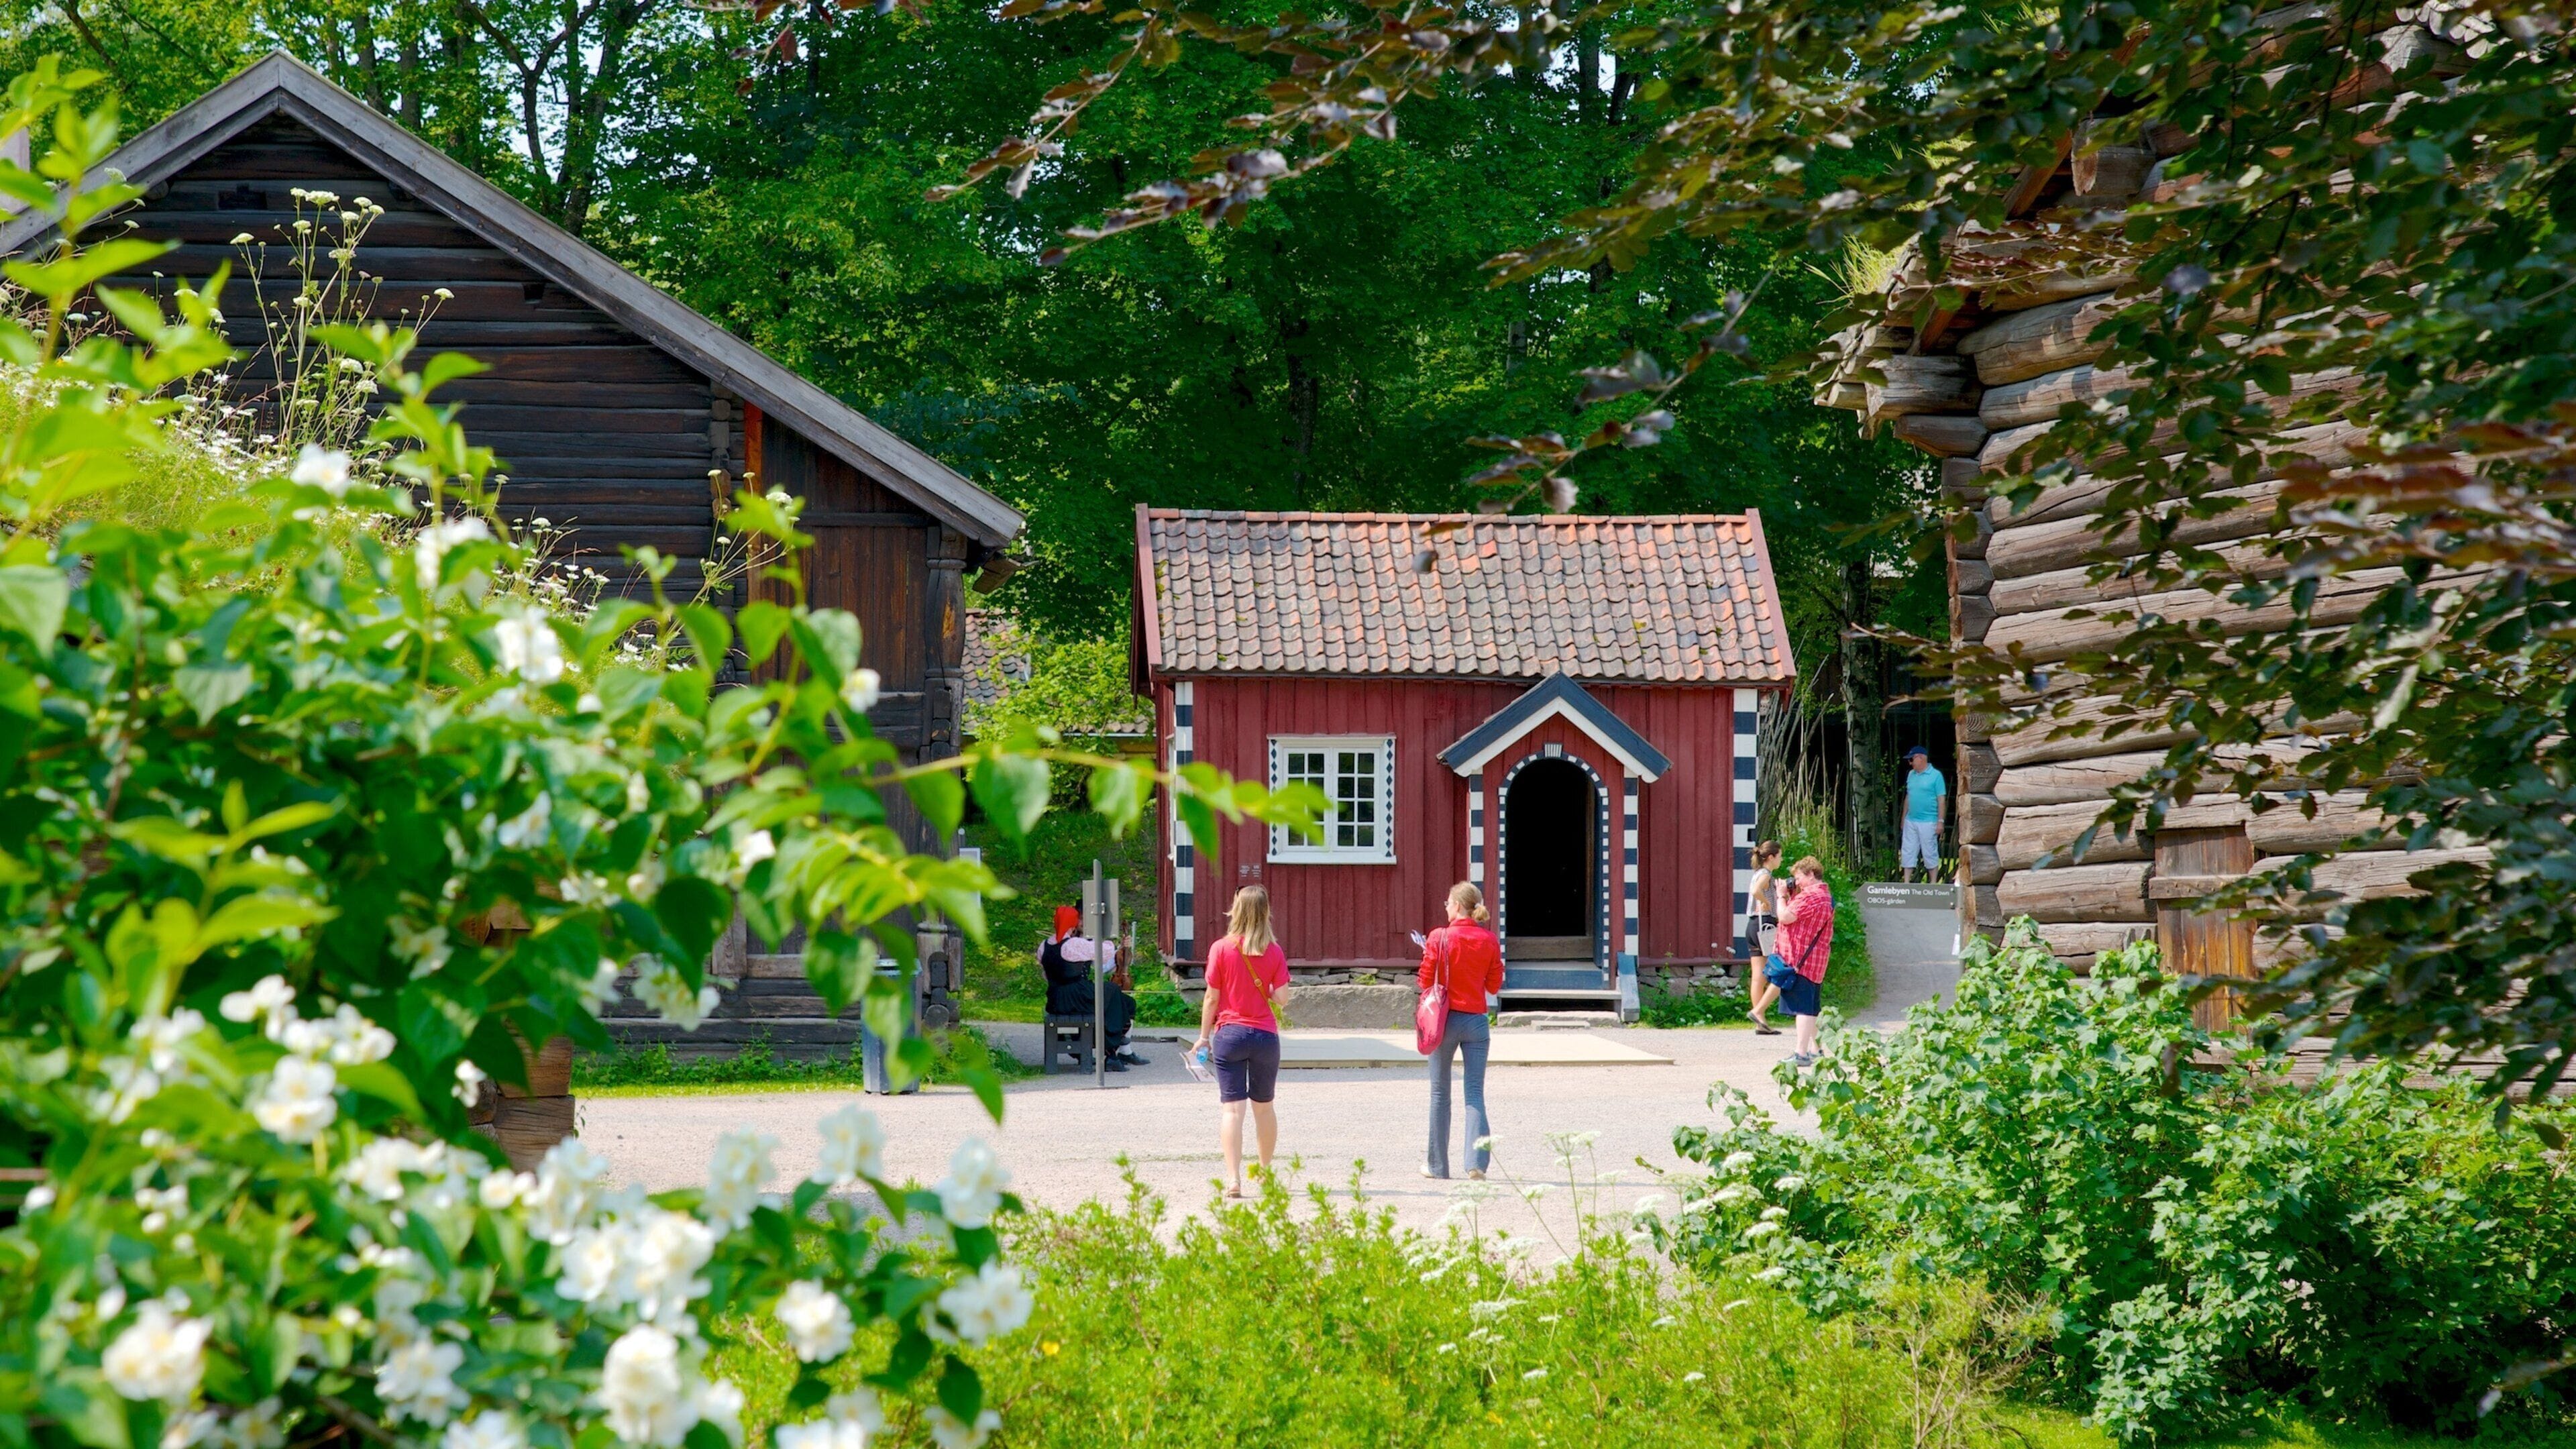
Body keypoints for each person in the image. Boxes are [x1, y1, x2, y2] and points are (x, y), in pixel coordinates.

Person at [1192, 885, 1291, 1198]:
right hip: (1264, 1036)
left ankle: (1234, 1180)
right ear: (1265, 913)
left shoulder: (1221, 948)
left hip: (1230, 1035)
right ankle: (1264, 1174)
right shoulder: (1274, 951)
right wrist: (1268, 991)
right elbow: (1283, 999)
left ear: (1237, 910)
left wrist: (1203, 1037)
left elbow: (1211, 998)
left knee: (1232, 1111)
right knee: (1265, 1109)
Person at [1419, 881, 1508, 1181]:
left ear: (1457, 906)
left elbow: (1424, 981)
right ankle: (1475, 1165)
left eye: (1447, 903)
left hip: (1443, 1022)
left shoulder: (1438, 937)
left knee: (1439, 1093)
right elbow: (1494, 986)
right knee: (1474, 1094)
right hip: (1476, 1022)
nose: (1445, 907)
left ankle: (1438, 1167)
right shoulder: (1489, 940)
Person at [1040, 906, 1142, 1069]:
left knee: (1121, 1000)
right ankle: (1110, 1052)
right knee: (1112, 991)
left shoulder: (1044, 945)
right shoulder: (1073, 944)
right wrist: (1103, 936)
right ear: (1072, 925)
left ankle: (1118, 1052)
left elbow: (1046, 974)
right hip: (1076, 996)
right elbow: (1105, 950)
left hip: (1055, 998)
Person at [1773, 856, 1835, 1065]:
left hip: (1802, 962)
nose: (1796, 882)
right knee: (1810, 1007)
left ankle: (1801, 1053)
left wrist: (1781, 897)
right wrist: (1792, 896)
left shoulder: (1812, 897)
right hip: (1812, 960)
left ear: (1810, 875)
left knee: (1803, 1009)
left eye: (1798, 877)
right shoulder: (1821, 896)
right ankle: (1817, 1051)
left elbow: (1785, 917)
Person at [1741, 841, 1785, 1035]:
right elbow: (1756, 891)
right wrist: (1767, 902)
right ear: (1771, 857)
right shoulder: (1766, 874)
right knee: (1775, 970)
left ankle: (1760, 1020)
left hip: (1752, 925)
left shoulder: (1757, 873)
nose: (1781, 860)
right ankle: (1759, 1012)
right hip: (1765, 925)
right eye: (1780, 856)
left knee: (1758, 976)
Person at [1900, 745, 1948, 883]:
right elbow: (1909, 797)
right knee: (1908, 850)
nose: (1910, 763)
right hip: (1911, 820)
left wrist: (1941, 821)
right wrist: (1904, 817)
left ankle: (1933, 883)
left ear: (1920, 758)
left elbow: (1941, 800)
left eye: (1911, 760)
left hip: (1929, 821)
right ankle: (1907, 882)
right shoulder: (1911, 775)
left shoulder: (1936, 776)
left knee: (1930, 851)